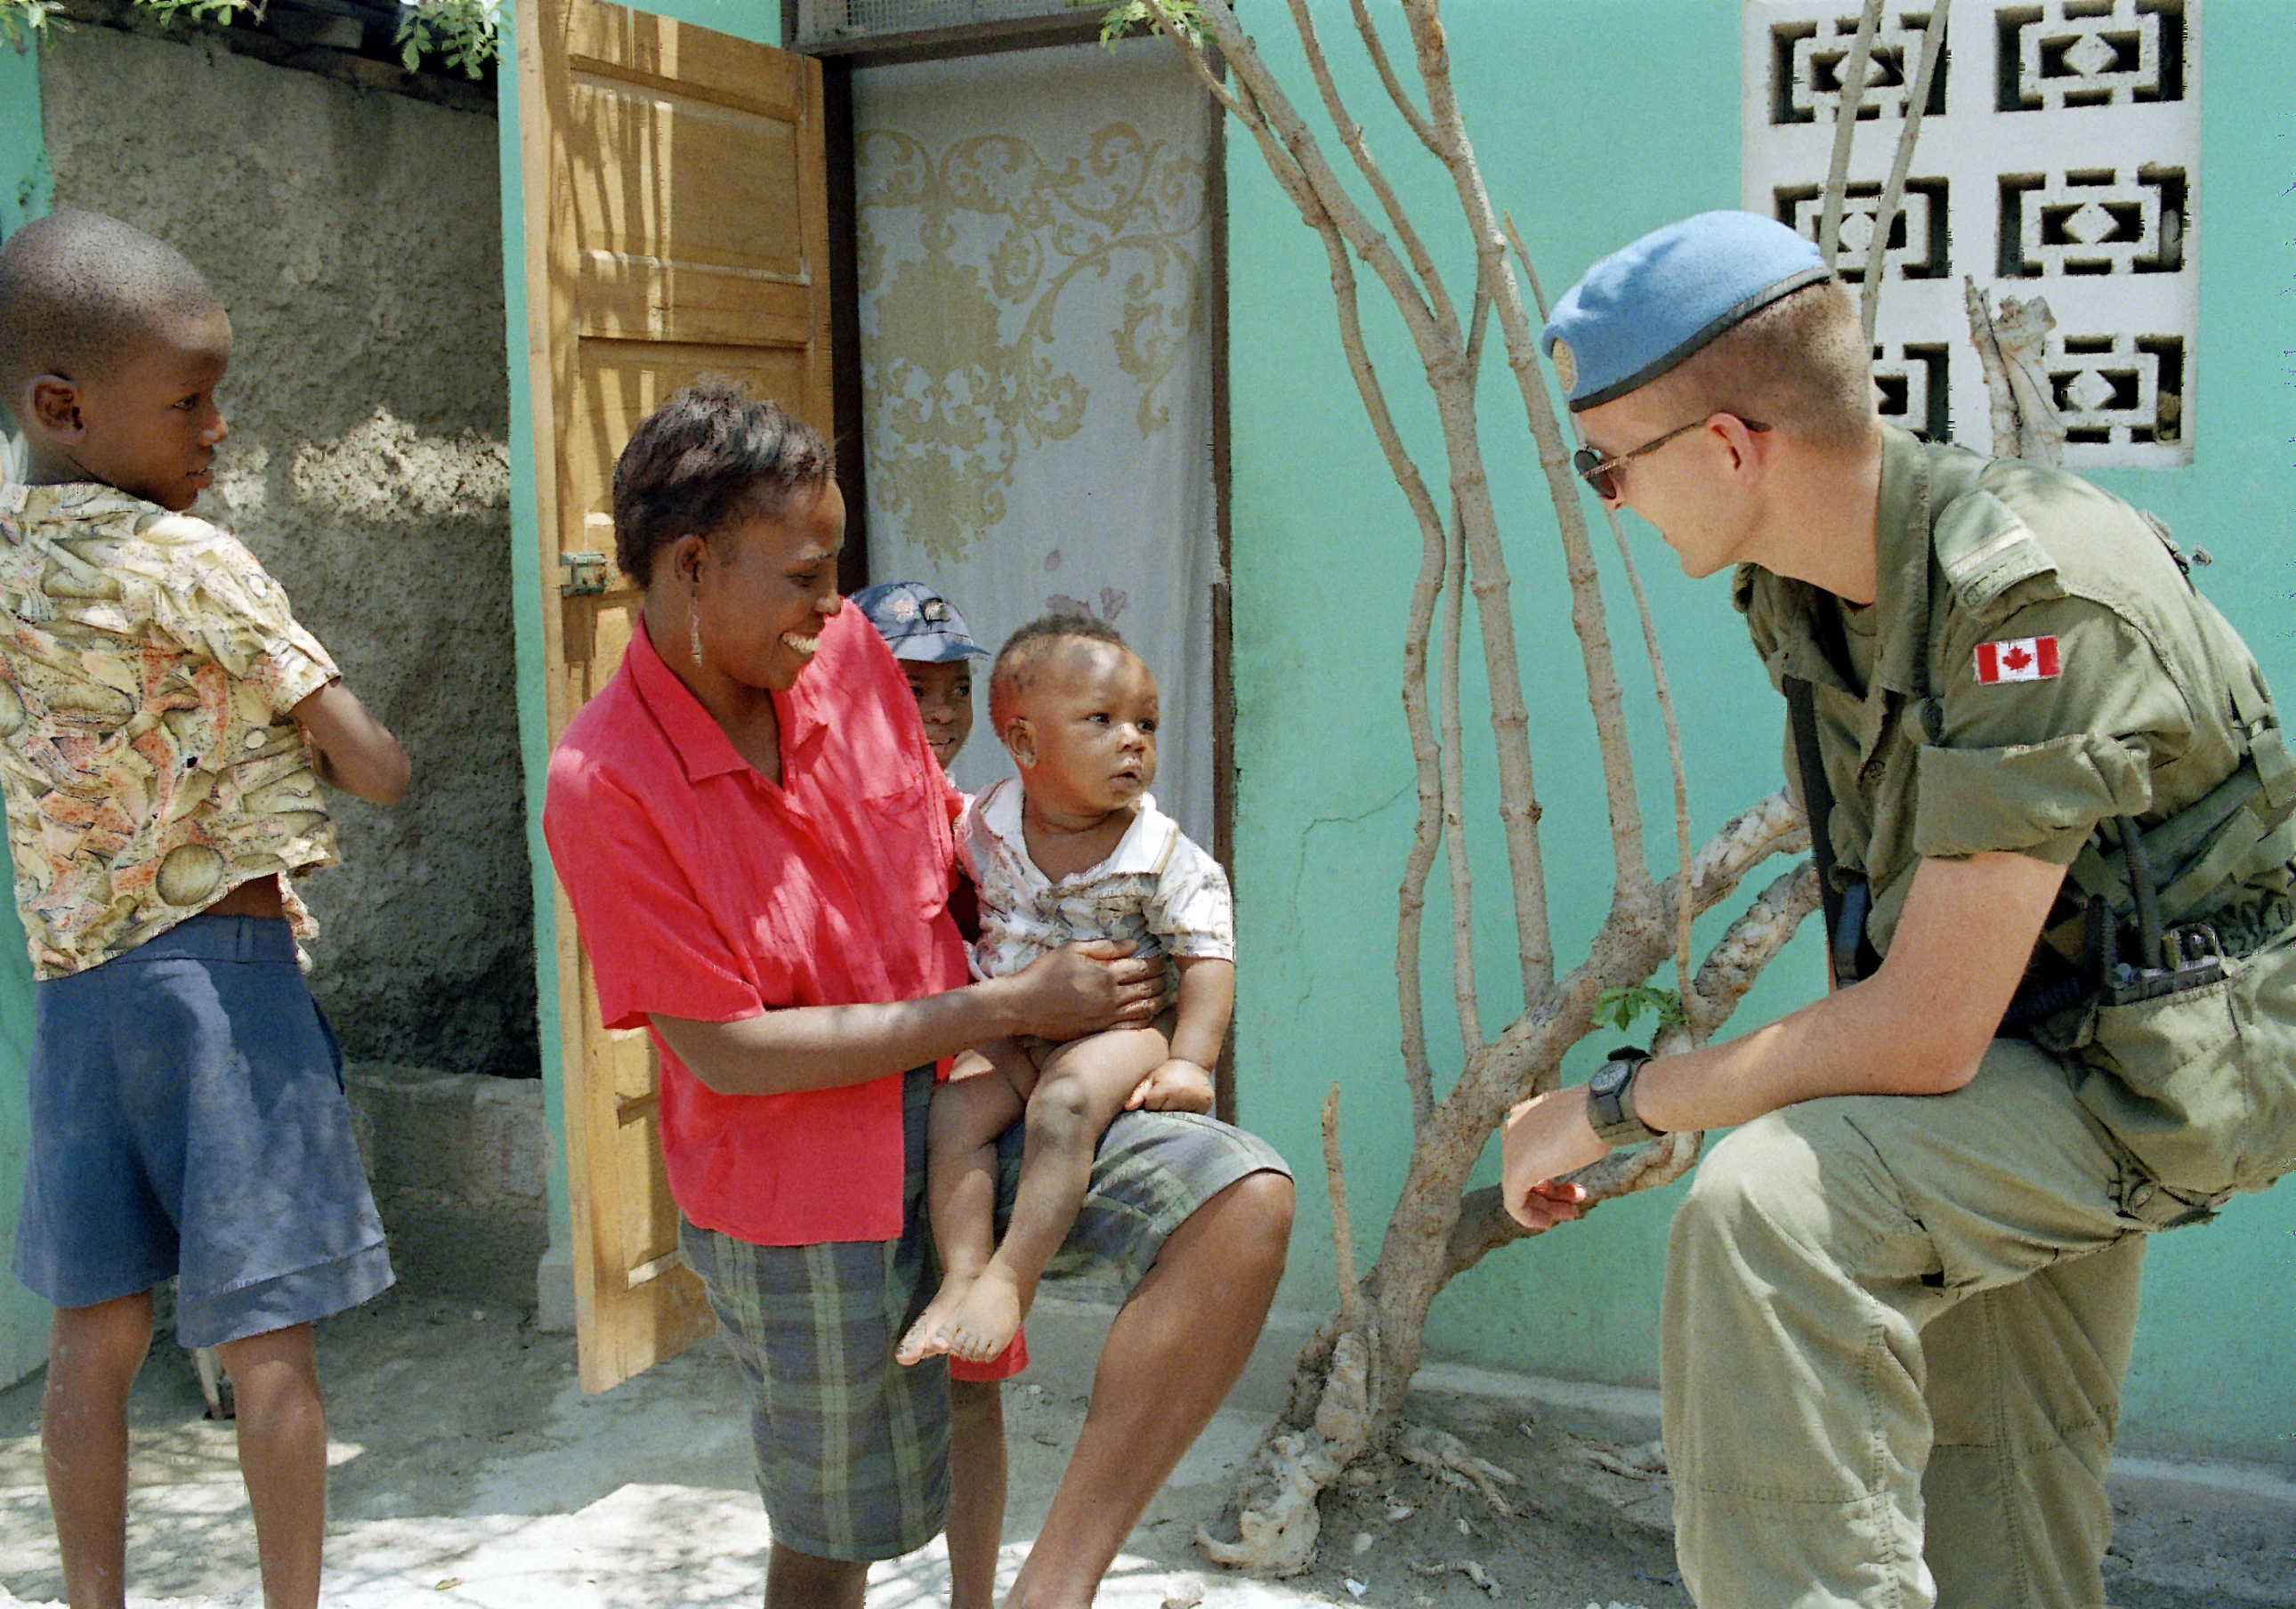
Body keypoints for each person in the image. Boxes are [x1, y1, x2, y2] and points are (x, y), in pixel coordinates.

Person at [1500, 210, 2296, 1608]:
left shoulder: (2023, 590)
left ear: (1733, 446)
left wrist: (1623, 1101)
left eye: (1607, 466)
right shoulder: (1820, 585)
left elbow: (1923, 1032)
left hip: (2176, 1060)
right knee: (1997, 1497)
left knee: (1773, 1213)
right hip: (2038, 1037)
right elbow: (1899, 937)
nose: (1610, 499)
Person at [541, 381, 1292, 1609]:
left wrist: (1086, 890)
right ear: (689, 566)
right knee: (841, 1531)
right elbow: (729, 1052)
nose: (833, 606)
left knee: (1239, 1206)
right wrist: (1008, 1010)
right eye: (803, 574)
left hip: (989, 1100)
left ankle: (1042, 1593)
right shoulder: (605, 783)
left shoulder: (840, 660)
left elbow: (945, 835)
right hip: (803, 1188)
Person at [0, 209, 411, 1609]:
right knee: (268, 1344)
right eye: (189, 401)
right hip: (224, 986)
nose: (219, 429)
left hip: (74, 997)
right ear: (65, 406)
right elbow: (378, 768)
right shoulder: (195, 562)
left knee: (91, 1337)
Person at [895, 614, 1234, 1371]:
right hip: (1014, 1027)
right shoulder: (983, 824)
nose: (1133, 740)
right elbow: (945, 890)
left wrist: (1191, 1062)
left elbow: (1207, 954)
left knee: (1065, 1105)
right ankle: (961, 1274)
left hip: (1118, 1031)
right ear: (1023, 745)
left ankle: (1011, 1279)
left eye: (1146, 722)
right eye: (1102, 720)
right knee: (957, 1114)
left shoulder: (1161, 854)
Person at [853, 579, 989, 771]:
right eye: (914, 691)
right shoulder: (824, 798)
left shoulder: (970, 801)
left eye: (961, 691)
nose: (944, 714)